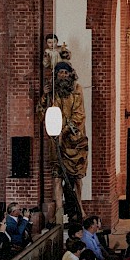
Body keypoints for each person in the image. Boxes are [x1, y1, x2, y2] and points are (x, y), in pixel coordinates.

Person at [44, 61, 89, 218]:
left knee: (77, 178)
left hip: (75, 142)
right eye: (60, 72)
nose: (63, 75)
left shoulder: (77, 90)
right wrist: (45, 95)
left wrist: (64, 130)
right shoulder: (52, 91)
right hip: (56, 141)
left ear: (71, 74)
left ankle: (80, 208)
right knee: (57, 177)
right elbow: (43, 112)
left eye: (65, 72)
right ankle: (58, 210)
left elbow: (79, 115)